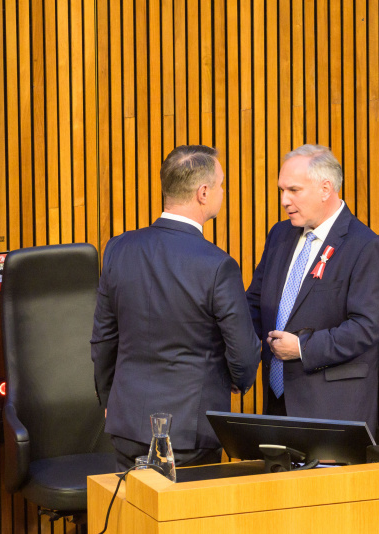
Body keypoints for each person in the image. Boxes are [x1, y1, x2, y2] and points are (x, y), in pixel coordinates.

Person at [91, 145, 261, 471]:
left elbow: (103, 339)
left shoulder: (118, 249)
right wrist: (238, 379)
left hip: (127, 424)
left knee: (133, 506)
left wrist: (111, 399)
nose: (222, 192)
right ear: (203, 192)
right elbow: (242, 351)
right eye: (221, 185)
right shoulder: (218, 265)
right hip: (188, 434)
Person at [246, 144, 379, 435]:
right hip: (278, 403)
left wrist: (302, 348)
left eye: (294, 190)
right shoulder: (279, 234)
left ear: (325, 189)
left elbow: (367, 327)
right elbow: (255, 303)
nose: (284, 200)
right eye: (281, 190)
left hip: (333, 409)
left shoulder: (364, 246)